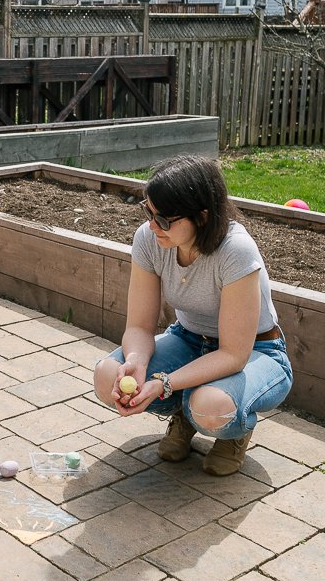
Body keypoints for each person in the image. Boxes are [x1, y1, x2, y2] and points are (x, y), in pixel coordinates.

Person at [94, 154, 292, 476]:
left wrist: (164, 382)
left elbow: (233, 355)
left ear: (201, 217)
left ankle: (230, 430)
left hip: (256, 351)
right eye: (148, 211)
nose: (152, 225)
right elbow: (139, 326)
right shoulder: (149, 239)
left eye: (164, 220)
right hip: (189, 338)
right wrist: (136, 361)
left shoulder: (235, 251)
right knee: (107, 375)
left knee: (211, 408)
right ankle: (186, 415)